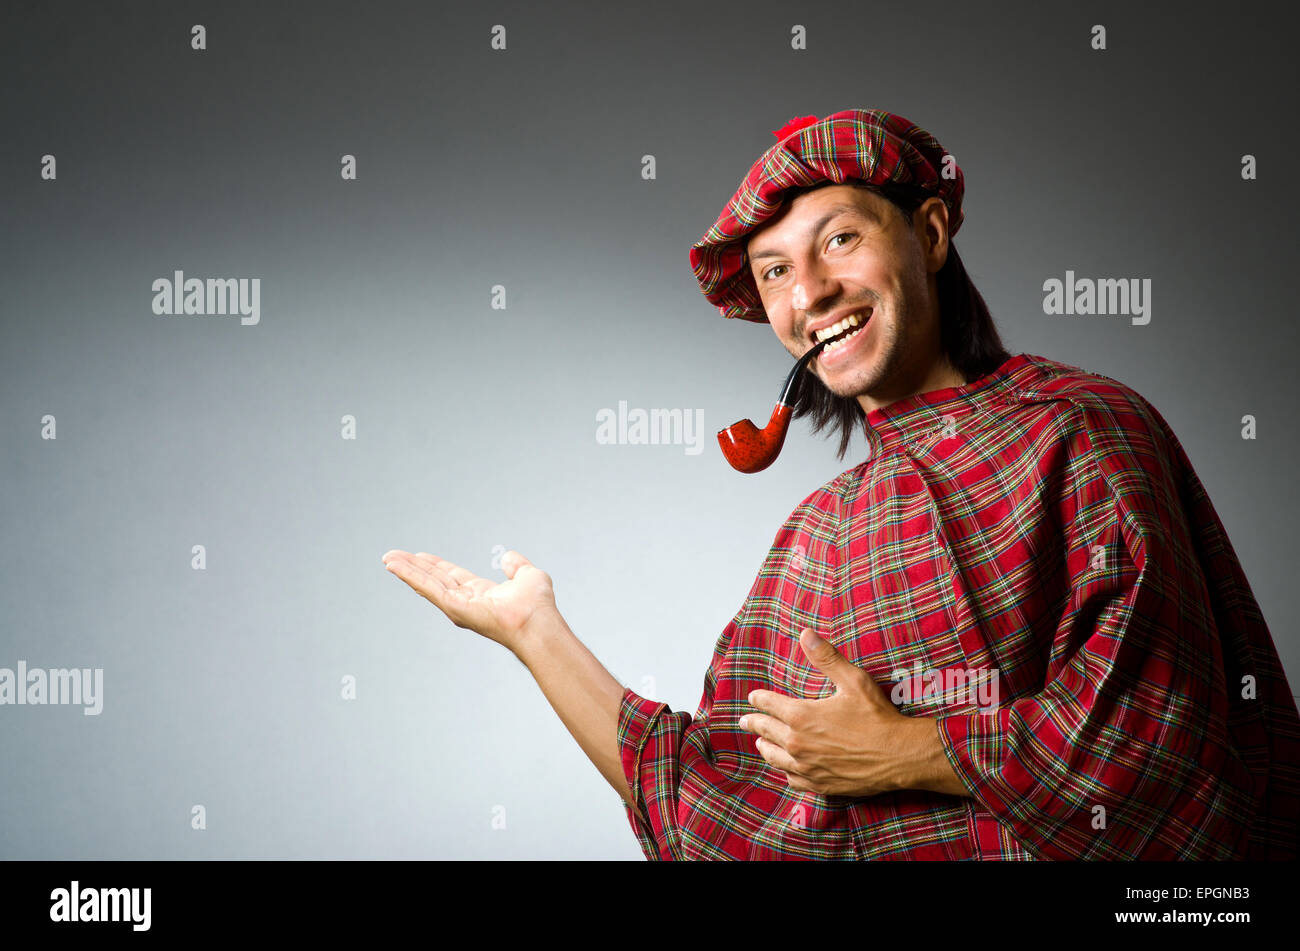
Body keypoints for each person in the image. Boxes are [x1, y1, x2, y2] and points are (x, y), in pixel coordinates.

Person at [382, 108, 1300, 860]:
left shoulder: (1084, 428)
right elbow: (720, 799)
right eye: (776, 270)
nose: (809, 292)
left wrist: (911, 750)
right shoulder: (816, 534)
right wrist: (534, 632)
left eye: (840, 240)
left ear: (930, 235)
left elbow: (1161, 749)